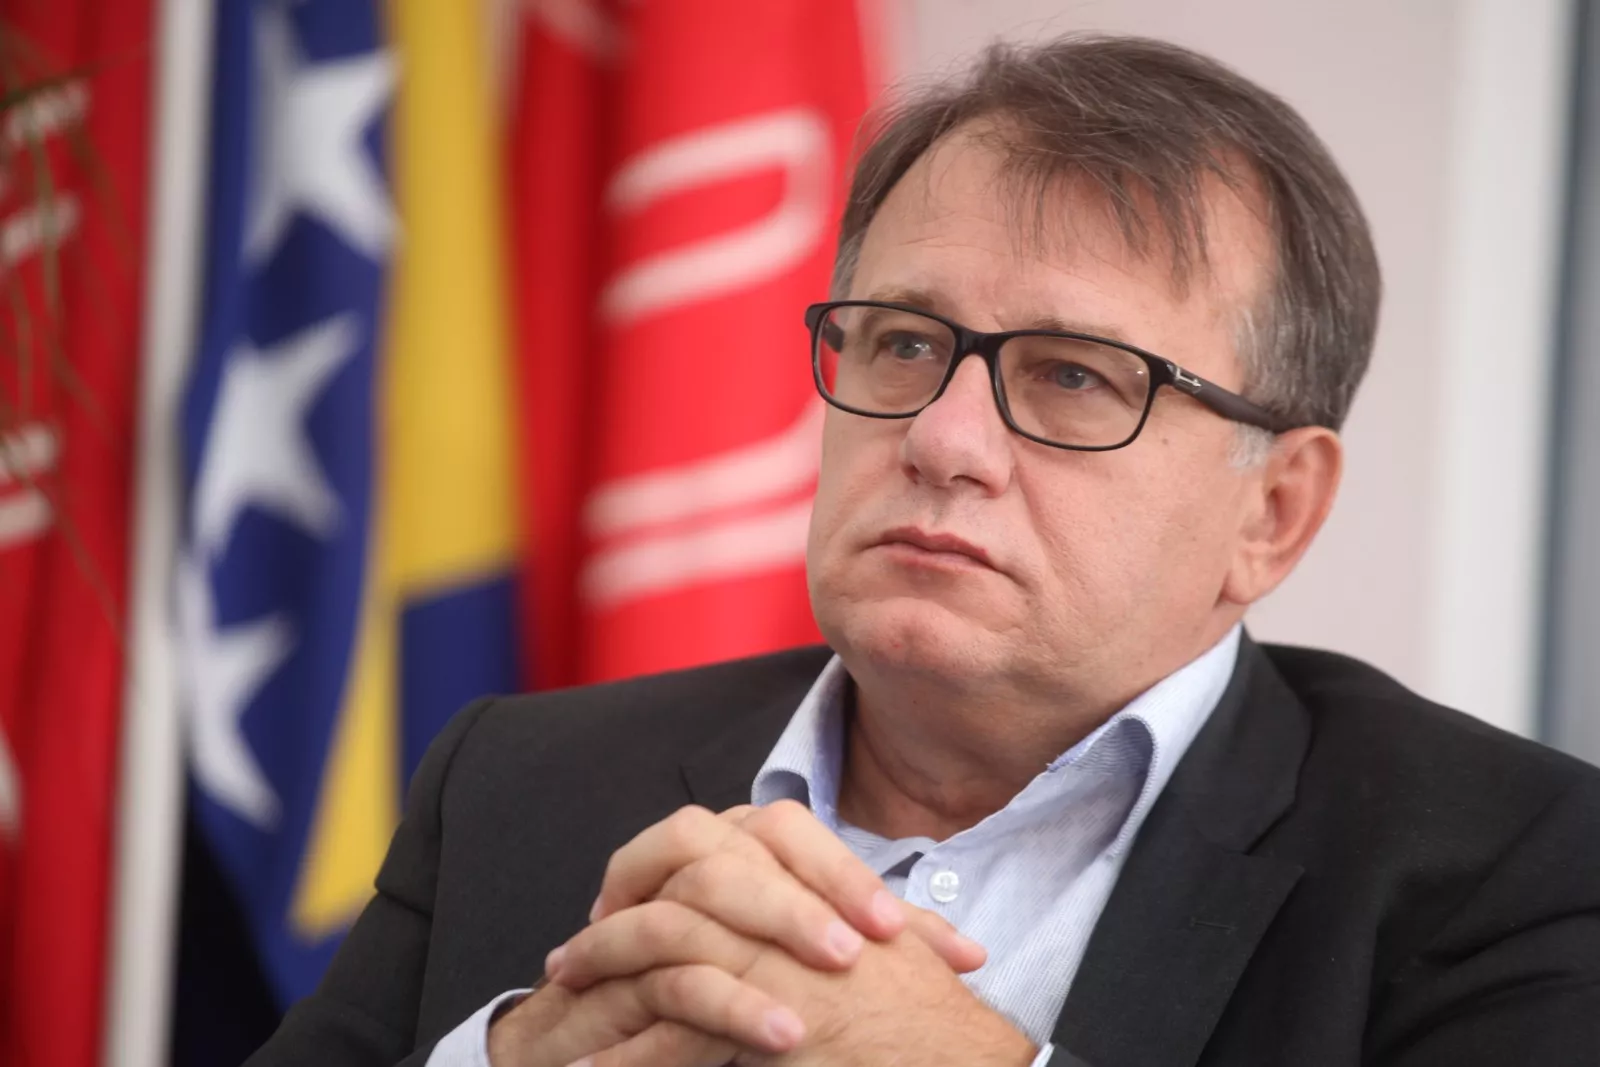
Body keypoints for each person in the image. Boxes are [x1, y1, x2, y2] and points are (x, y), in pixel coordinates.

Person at [247, 34, 1600, 1067]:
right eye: (903, 342)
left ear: (1275, 512)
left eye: (1075, 375)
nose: (944, 437)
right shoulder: (519, 780)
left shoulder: (1515, 868)